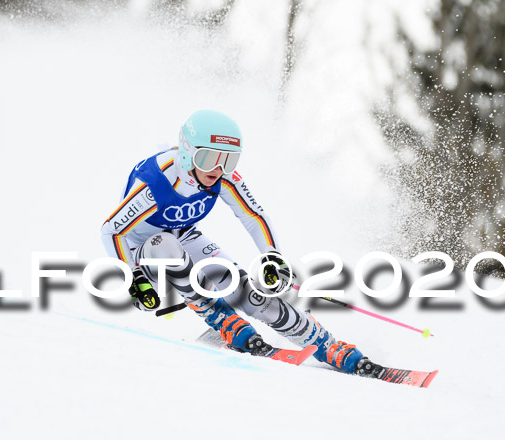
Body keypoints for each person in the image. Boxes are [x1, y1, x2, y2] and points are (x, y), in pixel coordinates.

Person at [100, 109, 377, 375]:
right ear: (187, 153)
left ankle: (324, 343)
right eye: (209, 159)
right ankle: (220, 318)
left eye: (228, 160)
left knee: (248, 293)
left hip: (182, 236)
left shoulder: (222, 177)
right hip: (141, 256)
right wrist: (133, 277)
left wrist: (272, 258)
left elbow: (253, 216)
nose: (218, 169)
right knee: (163, 244)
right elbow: (112, 230)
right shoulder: (157, 182)